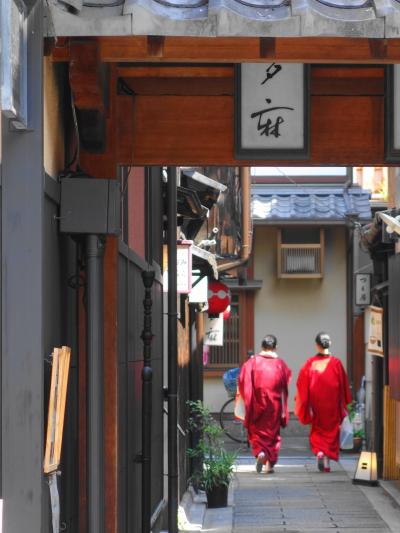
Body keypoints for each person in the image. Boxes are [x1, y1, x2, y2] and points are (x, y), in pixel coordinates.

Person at [295, 332, 352, 473]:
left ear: (317, 345)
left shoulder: (310, 363)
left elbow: (302, 384)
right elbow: (344, 385)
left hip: (316, 405)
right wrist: (344, 401)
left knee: (318, 429)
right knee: (331, 431)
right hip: (332, 405)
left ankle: (320, 452)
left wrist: (305, 403)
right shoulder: (336, 363)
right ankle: (326, 463)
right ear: (329, 344)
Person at [238, 334, 292, 474]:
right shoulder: (280, 364)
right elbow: (286, 381)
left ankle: (261, 453)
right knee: (273, 436)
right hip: (273, 407)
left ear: (262, 346)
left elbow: (243, 381)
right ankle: (269, 466)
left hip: (256, 405)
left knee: (257, 434)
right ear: (275, 347)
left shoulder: (252, 363)